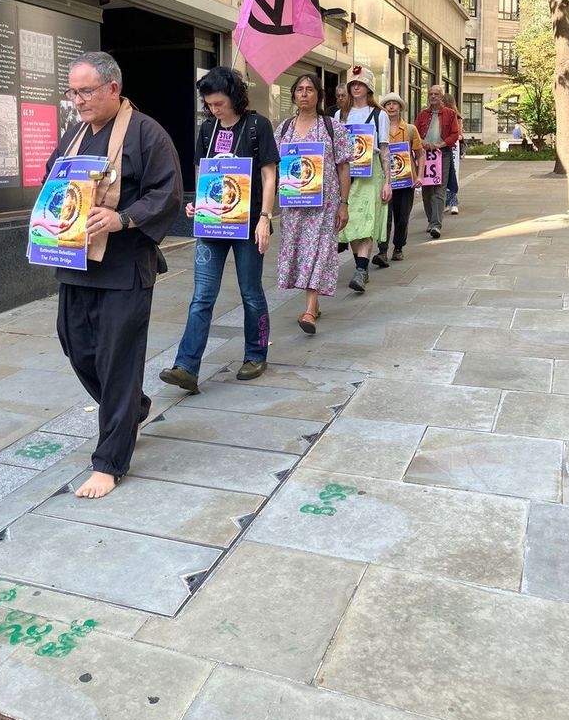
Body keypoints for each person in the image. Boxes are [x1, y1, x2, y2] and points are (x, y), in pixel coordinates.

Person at [46, 52, 182, 498]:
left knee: (118, 360)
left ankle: (109, 461)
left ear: (113, 88)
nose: (78, 100)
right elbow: (55, 182)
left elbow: (167, 193)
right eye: (73, 92)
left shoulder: (146, 133)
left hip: (124, 267)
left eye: (86, 91)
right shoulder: (74, 135)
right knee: (78, 348)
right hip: (76, 264)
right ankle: (134, 407)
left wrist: (121, 218)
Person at [160, 67, 279, 392]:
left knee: (250, 292)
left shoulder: (257, 126)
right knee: (201, 296)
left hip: (248, 222)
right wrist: (197, 204)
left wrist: (265, 217)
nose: (214, 110)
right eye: (210, 104)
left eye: (220, 104)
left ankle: (256, 354)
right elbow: (205, 172)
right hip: (213, 223)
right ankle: (186, 367)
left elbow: (269, 175)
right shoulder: (208, 129)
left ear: (235, 97)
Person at [275, 74, 352, 334]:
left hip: (324, 205)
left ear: (319, 94)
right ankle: (314, 303)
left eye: (310, 89)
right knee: (300, 252)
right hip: (293, 206)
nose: (304, 94)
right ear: (294, 95)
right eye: (300, 89)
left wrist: (343, 203)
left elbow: (344, 167)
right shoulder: (284, 129)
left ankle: (309, 310)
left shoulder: (331, 127)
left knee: (318, 251)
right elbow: (273, 166)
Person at [334, 66, 391, 292]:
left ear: (369, 88)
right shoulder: (339, 115)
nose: (356, 87)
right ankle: (361, 266)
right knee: (350, 222)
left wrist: (388, 182)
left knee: (366, 220)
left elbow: (385, 150)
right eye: (353, 84)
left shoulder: (380, 115)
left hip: (370, 173)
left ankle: (360, 270)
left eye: (361, 84)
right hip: (346, 175)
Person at [372, 92, 425, 265]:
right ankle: (382, 251)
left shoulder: (410, 129)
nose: (391, 106)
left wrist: (420, 176)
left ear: (400, 107)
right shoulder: (378, 129)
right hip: (385, 181)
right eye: (387, 104)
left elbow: (420, 154)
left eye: (394, 103)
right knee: (384, 217)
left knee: (402, 218)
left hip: (406, 181)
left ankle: (399, 247)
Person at [414, 84, 460, 238]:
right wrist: (422, 142)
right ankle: (431, 220)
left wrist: (440, 144)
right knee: (427, 191)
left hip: (442, 154)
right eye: (430, 94)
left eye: (436, 94)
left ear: (441, 96)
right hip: (424, 155)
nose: (433, 96)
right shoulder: (422, 115)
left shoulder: (450, 114)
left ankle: (436, 225)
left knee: (440, 189)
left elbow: (454, 134)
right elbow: (415, 133)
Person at [443, 93, 463, 215]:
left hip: (450, 147)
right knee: (449, 175)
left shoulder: (455, 116)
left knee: (450, 174)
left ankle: (452, 202)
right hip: (446, 147)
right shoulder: (443, 116)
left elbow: (459, 134)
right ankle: (448, 203)